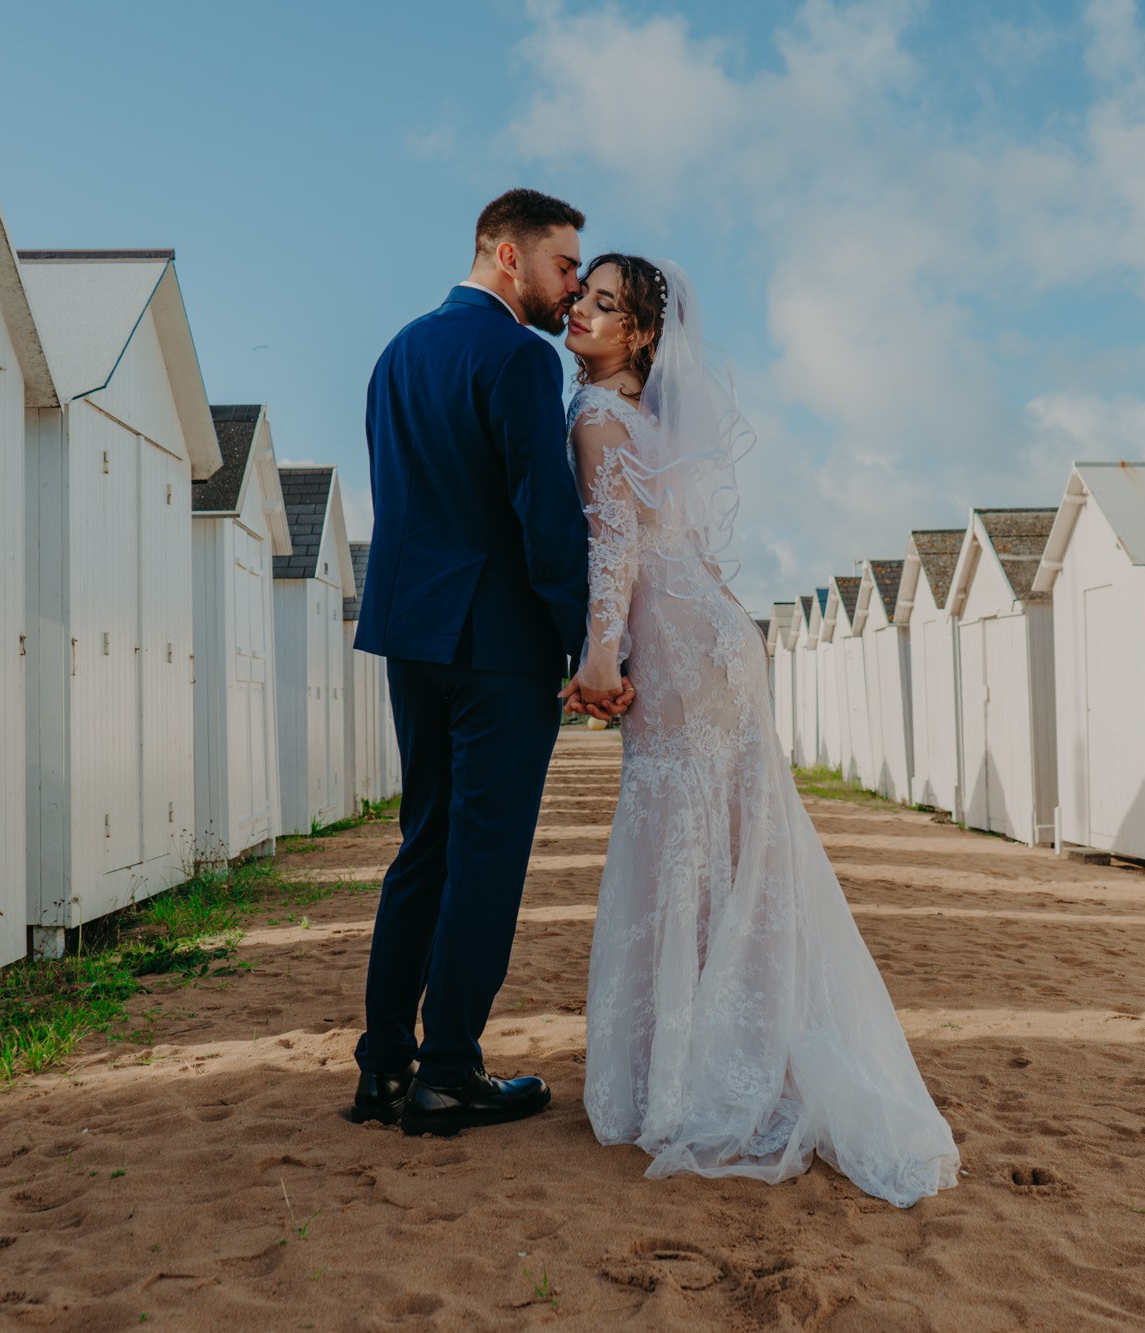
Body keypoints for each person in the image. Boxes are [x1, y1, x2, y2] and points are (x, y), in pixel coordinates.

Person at [560, 254, 960, 1207]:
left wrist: (600, 656)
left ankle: (694, 1072)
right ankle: (750, 1052)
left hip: (672, 643)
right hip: (723, 639)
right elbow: (685, 546)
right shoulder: (654, 422)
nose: (580, 309)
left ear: (641, 336)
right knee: (733, 846)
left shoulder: (596, 416)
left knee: (678, 844)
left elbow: (617, 546)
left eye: (604, 304)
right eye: (581, 295)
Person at [349, 189, 633, 1138]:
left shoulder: (394, 354)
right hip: (498, 647)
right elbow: (543, 518)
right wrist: (588, 647)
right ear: (509, 257)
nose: (569, 293)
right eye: (563, 268)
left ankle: (383, 1065)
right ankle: (451, 1071)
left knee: (422, 842)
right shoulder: (515, 357)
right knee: (486, 857)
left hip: (409, 636)